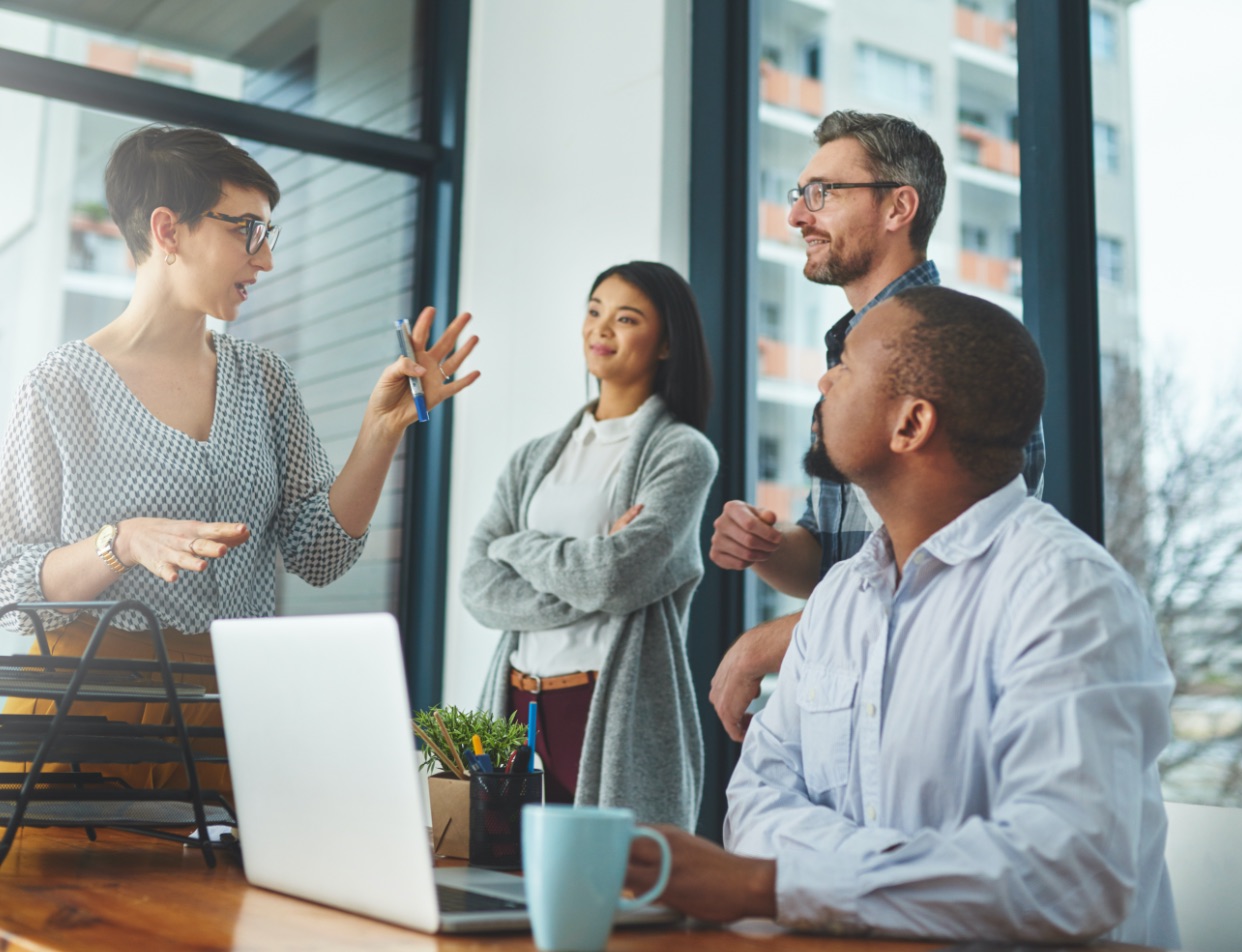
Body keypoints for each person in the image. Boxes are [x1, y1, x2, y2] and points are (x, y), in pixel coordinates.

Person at [625, 286, 1179, 947]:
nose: (825, 379)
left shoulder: (1067, 593)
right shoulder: (838, 597)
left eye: (848, 366)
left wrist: (768, 886)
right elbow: (753, 806)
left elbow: (1067, 875)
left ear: (910, 425)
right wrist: (910, 873)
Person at [0, 125, 478, 791]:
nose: (265, 260)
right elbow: (8, 583)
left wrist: (381, 428)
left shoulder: (264, 379)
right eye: (245, 231)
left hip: (236, 713)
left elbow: (320, 553)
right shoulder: (56, 387)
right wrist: (121, 543)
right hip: (88, 713)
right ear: (168, 231)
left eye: (267, 235)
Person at [708, 110, 1046, 741]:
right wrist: (768, 546)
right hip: (847, 696)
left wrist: (771, 642)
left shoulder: (962, 350)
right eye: (797, 195)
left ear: (898, 208)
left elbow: (951, 576)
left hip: (927, 711)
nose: (797, 216)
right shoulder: (844, 360)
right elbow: (829, 559)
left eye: (822, 194)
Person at [460, 261, 717, 829]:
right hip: (516, 701)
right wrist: (589, 564)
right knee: (497, 890)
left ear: (668, 343)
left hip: (605, 704)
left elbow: (613, 579)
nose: (600, 329)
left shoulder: (682, 453)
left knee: (608, 897)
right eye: (594, 311)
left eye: (625, 319)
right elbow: (477, 589)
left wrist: (517, 546)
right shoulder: (533, 457)